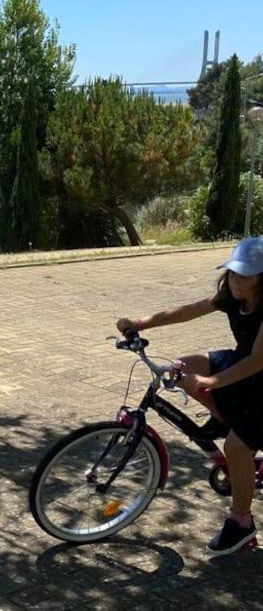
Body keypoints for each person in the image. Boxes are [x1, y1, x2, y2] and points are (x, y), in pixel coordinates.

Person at [117, 238, 263, 556]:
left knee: (236, 447)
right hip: (245, 367)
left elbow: (257, 360)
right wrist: (142, 322)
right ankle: (224, 418)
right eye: (234, 272)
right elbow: (188, 311)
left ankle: (241, 523)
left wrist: (212, 380)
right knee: (182, 368)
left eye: (247, 275)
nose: (238, 280)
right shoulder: (230, 295)